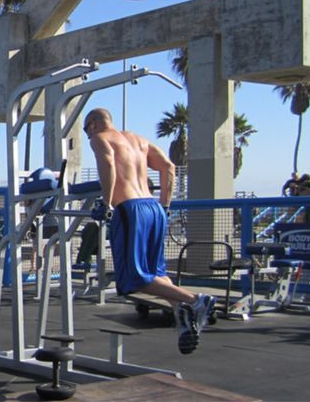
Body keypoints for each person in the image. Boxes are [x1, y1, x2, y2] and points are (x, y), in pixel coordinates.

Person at [83, 107, 215, 355]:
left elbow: (109, 164)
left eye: (86, 129)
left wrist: (106, 202)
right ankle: (184, 320)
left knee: (135, 278)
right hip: (154, 208)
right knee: (157, 273)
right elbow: (168, 167)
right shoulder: (138, 140)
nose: (88, 134)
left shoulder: (99, 139)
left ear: (92, 124)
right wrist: (165, 205)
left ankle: (195, 301)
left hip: (130, 209)